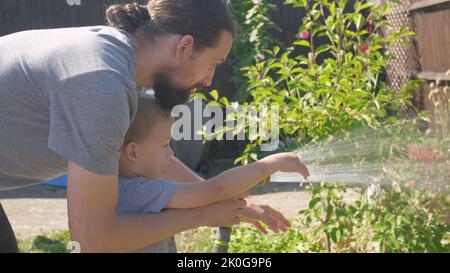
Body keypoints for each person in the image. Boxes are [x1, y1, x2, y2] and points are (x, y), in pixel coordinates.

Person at [0, 1, 297, 252]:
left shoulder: (120, 62)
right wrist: (203, 214)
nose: (209, 80)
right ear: (185, 46)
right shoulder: (102, 81)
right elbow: (92, 238)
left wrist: (225, 200)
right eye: (213, 63)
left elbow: (152, 156)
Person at [116, 95, 310, 252]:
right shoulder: (140, 191)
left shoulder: (124, 190)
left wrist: (237, 205)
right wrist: (269, 165)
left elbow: (209, 195)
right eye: (165, 145)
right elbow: (215, 189)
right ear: (133, 152)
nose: (172, 153)